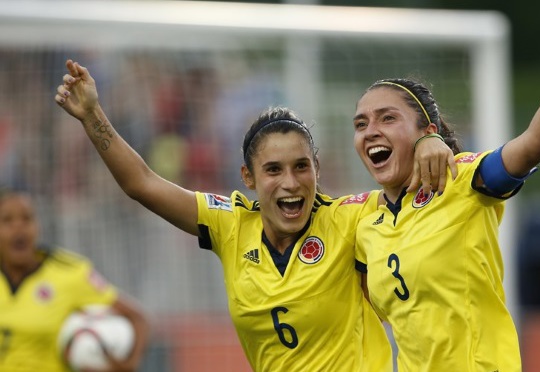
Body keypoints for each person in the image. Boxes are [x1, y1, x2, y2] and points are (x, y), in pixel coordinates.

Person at [53, 54, 457, 369]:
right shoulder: (230, 225)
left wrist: (427, 140)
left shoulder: (349, 219)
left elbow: (409, 188)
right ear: (248, 177)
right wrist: (91, 115)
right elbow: (141, 184)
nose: (291, 182)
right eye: (273, 170)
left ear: (317, 168)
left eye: (301, 166)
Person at [352, 0, 540, 371]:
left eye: (387, 118)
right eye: (361, 124)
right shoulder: (365, 219)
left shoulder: (462, 180)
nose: (371, 131)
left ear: (426, 131)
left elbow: (533, 147)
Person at [0, 189, 149, 372]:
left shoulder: (70, 273)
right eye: (7, 220)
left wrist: (129, 365)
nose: (18, 227)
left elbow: (138, 318)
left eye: (27, 218)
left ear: (38, 226)